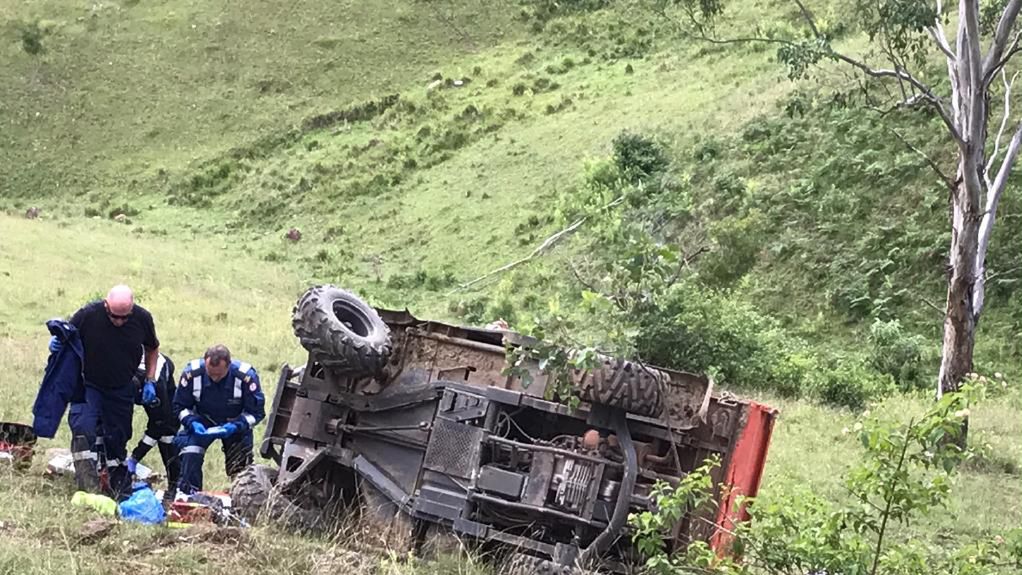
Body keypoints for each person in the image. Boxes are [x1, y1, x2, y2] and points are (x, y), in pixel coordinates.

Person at [62, 285, 161, 498]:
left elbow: (152, 348)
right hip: (89, 384)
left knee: (118, 436)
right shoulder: (88, 315)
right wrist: (58, 345)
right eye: (114, 316)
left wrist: (150, 380)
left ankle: (116, 487)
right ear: (106, 306)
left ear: (132, 310)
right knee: (83, 428)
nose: (119, 322)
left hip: (121, 387)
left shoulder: (142, 318)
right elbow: (66, 338)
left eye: (124, 318)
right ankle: (88, 488)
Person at [173, 344, 265, 495]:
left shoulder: (245, 377)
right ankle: (190, 498)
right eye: (211, 374)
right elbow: (179, 406)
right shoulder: (192, 373)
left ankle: (240, 501)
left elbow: (256, 414)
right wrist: (192, 423)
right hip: (202, 420)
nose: (215, 378)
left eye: (219, 375)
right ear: (205, 363)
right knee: (190, 452)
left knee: (240, 466)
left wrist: (234, 427)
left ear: (228, 366)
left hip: (234, 423)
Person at [125, 350, 181, 503]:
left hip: (160, 373)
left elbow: (159, 425)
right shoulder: (121, 376)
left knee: (167, 433)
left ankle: (175, 486)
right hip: (134, 369)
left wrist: (135, 457)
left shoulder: (156, 385)